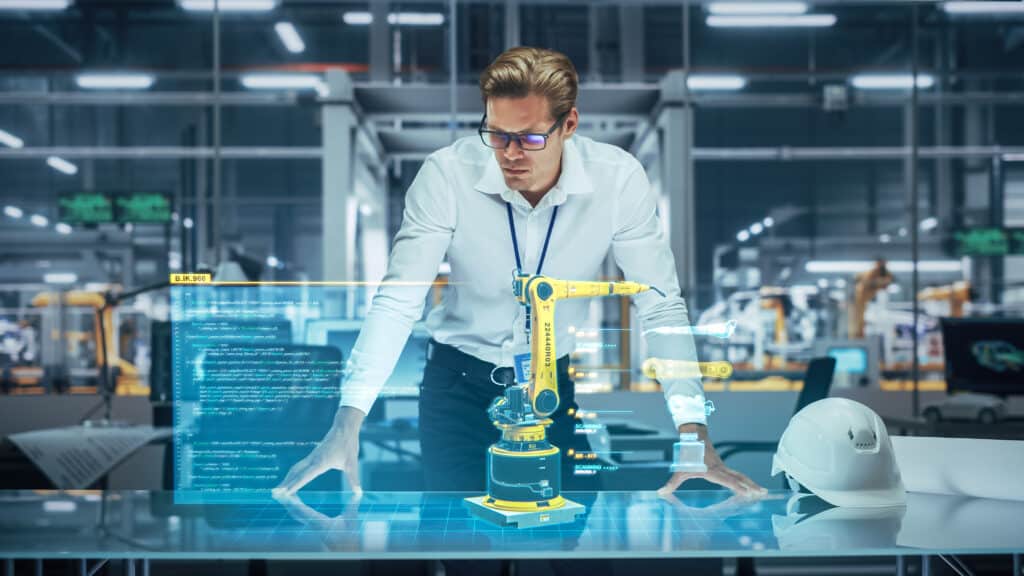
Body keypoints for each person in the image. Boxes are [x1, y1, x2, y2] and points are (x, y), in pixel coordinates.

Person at [275, 46, 763, 506]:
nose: (509, 153)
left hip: (551, 387)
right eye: (497, 134)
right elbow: (399, 301)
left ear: (568, 124)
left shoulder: (618, 181)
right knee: (457, 542)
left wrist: (692, 431)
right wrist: (348, 420)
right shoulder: (447, 176)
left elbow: (659, 305)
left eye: (530, 138)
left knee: (560, 541)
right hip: (457, 386)